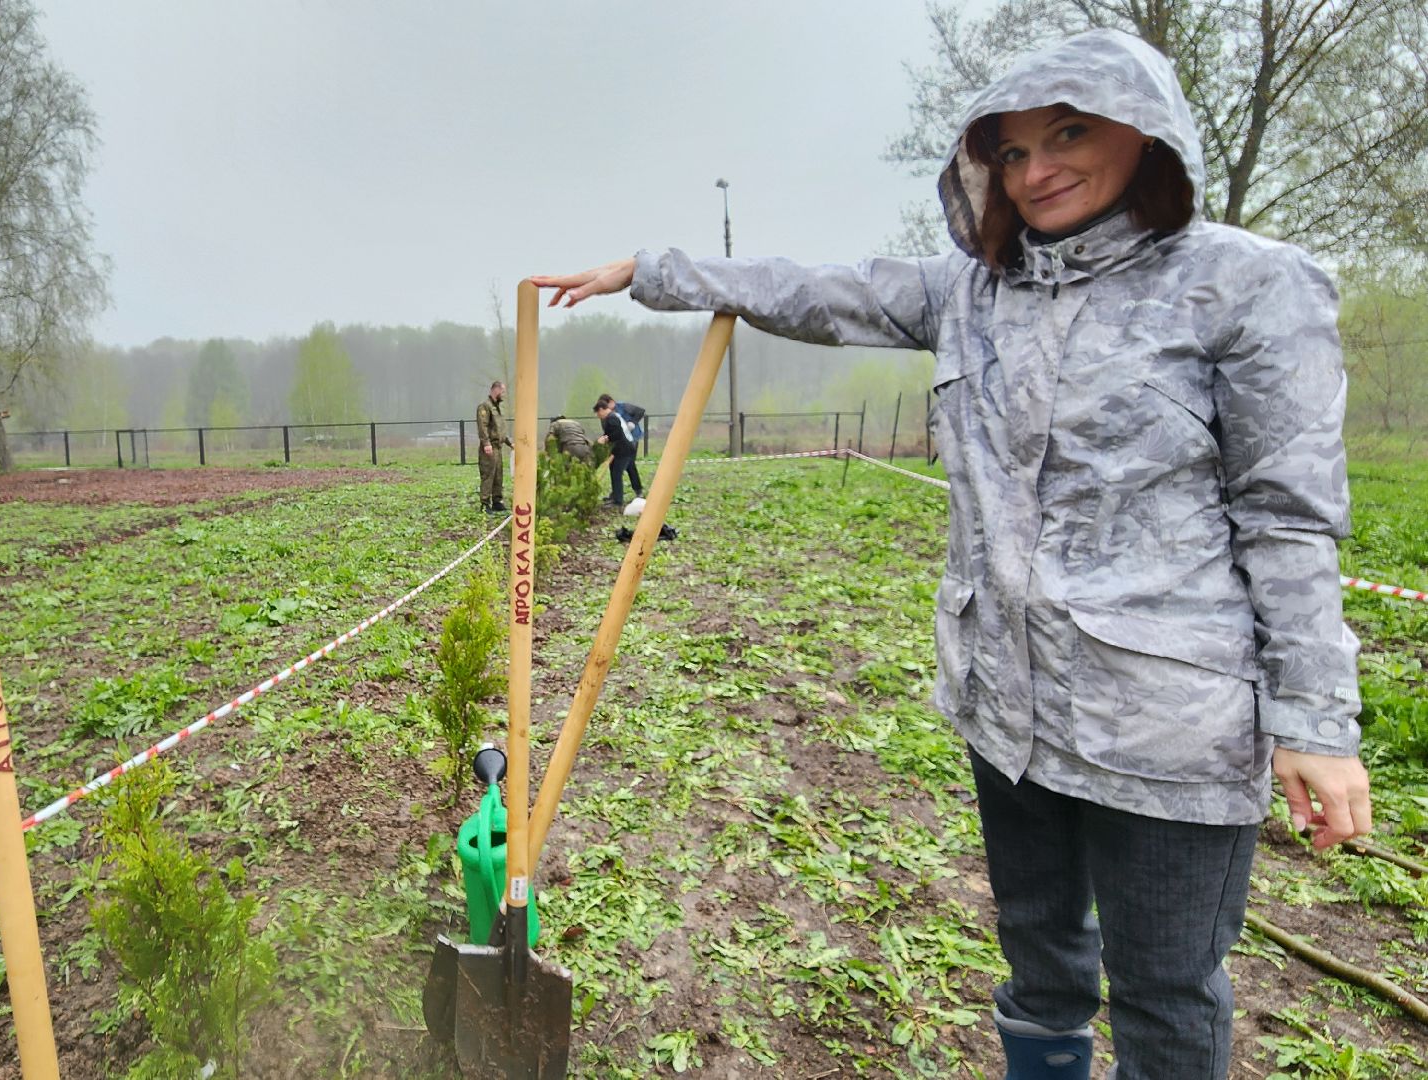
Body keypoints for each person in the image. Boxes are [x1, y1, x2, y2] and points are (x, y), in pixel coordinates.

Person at [532, 29, 1370, 1080]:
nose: (1036, 169)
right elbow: (818, 287)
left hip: (1168, 731)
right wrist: (652, 271)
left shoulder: (1247, 288)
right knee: (1040, 967)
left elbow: (1285, 516)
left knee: (1164, 994)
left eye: (1067, 132)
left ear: (1148, 132)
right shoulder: (972, 290)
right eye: (1010, 152)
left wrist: (1315, 724)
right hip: (1006, 709)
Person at [593, 395, 643, 507]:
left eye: (597, 413)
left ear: (601, 409)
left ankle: (618, 501)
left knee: (616, 473)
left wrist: (606, 439)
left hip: (623, 450)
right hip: (625, 448)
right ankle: (616, 496)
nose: (598, 416)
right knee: (622, 470)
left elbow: (617, 434)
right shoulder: (613, 416)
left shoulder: (611, 418)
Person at [474, 381, 512, 513]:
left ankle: (497, 501)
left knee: (498, 475)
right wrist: (486, 443)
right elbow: (483, 426)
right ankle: (485, 503)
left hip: (498, 447)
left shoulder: (497, 408)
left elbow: (500, 429)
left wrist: (509, 442)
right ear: (495, 389)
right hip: (489, 447)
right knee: (488, 474)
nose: (504, 394)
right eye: (502, 391)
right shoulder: (485, 406)